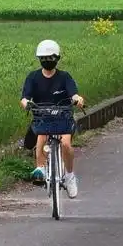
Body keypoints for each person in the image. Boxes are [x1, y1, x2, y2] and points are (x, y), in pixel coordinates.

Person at [20, 39, 84, 198]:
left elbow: (74, 93)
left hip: (63, 116)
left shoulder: (64, 77)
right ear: (39, 59)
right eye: (44, 58)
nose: (47, 62)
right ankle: (40, 168)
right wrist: (27, 103)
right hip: (42, 116)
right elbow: (24, 97)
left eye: (50, 58)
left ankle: (69, 176)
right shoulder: (33, 77)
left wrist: (78, 99)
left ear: (57, 59)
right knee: (40, 137)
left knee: (66, 144)